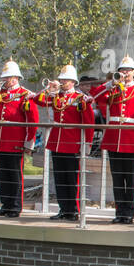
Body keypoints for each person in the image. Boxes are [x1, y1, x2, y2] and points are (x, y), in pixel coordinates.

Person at [93, 55, 134, 223]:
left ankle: (130, 212)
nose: (125, 73)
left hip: (132, 139)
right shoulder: (112, 90)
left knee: (131, 179)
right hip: (114, 139)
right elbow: (95, 96)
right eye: (122, 70)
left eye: (128, 70)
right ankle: (119, 211)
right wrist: (109, 84)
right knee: (117, 179)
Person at [0, 59, 37, 217]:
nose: (5, 80)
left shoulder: (24, 94)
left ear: (16, 78)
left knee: (15, 175)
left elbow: (33, 119)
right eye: (4, 78)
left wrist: (29, 142)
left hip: (15, 139)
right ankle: (6, 204)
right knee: (3, 175)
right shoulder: (1, 94)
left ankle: (15, 206)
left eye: (8, 78)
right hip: (0, 140)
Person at [41, 64, 94, 221]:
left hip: (72, 142)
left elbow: (89, 123)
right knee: (60, 179)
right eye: (61, 79)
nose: (63, 82)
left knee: (72, 179)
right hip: (57, 141)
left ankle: (74, 210)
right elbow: (38, 100)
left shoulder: (80, 99)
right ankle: (63, 209)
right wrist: (49, 89)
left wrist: (86, 145)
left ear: (73, 82)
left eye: (66, 80)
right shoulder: (56, 96)